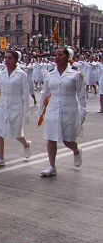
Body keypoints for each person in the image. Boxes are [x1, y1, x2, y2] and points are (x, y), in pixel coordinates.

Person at [39, 48, 86, 177]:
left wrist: (83, 112)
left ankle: (76, 150)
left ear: (67, 57)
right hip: (53, 108)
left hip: (69, 108)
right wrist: (41, 109)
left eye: (60, 55)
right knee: (51, 137)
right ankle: (52, 166)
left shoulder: (76, 74)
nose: (57, 57)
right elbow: (45, 93)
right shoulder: (50, 74)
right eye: (56, 55)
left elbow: (81, 95)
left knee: (67, 140)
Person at [0, 50, 32, 167]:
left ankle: (26, 144)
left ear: (16, 60)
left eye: (10, 58)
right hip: (2, 105)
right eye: (6, 58)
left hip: (16, 105)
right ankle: (1, 158)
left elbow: (25, 93)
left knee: (16, 132)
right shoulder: (1, 74)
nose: (7, 60)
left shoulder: (21, 74)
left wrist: (27, 112)